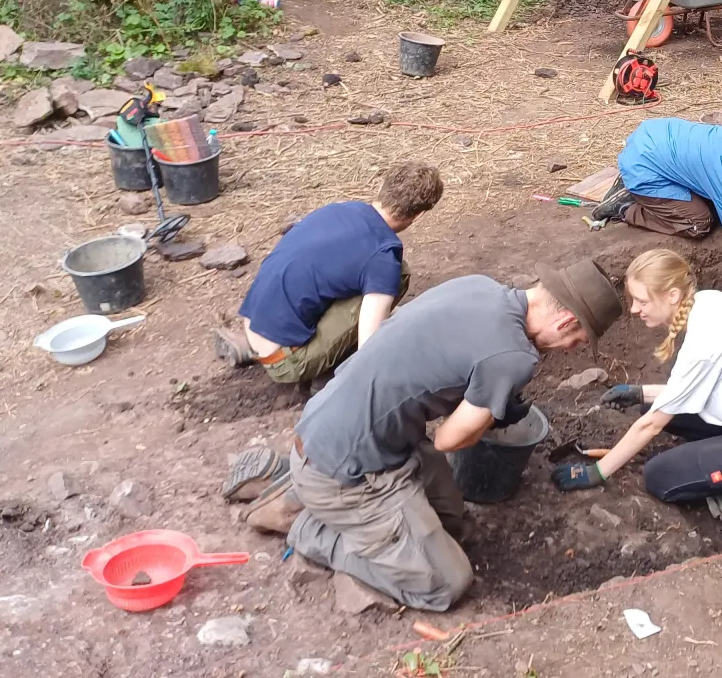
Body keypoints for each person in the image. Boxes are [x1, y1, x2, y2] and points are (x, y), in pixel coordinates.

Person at [237, 259, 623, 611]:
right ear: (565, 321)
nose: (571, 349)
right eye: (578, 341)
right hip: (353, 472)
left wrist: (490, 399)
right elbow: (448, 440)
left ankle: (305, 490)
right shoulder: (513, 357)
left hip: (337, 423)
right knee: (448, 584)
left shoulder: (478, 284)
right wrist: (490, 412)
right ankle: (311, 528)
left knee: (453, 525)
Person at [551, 250, 722, 520]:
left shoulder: (702, 344)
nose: (633, 309)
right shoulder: (708, 300)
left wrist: (597, 472)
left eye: (641, 301)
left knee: (659, 477)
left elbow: (651, 426)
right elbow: (690, 390)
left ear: (672, 296)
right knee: (652, 409)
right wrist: (640, 394)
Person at [214, 161, 444, 388]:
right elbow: (369, 345)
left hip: (253, 323)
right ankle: (333, 370)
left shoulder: (336, 210)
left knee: (349, 279)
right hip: (284, 361)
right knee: (398, 274)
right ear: (419, 215)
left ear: (381, 188)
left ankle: (253, 347)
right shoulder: (383, 256)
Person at [592, 117, 722, 306]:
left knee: (713, 199)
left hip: (652, 135)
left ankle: (642, 190)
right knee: (700, 222)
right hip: (643, 166)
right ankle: (626, 206)